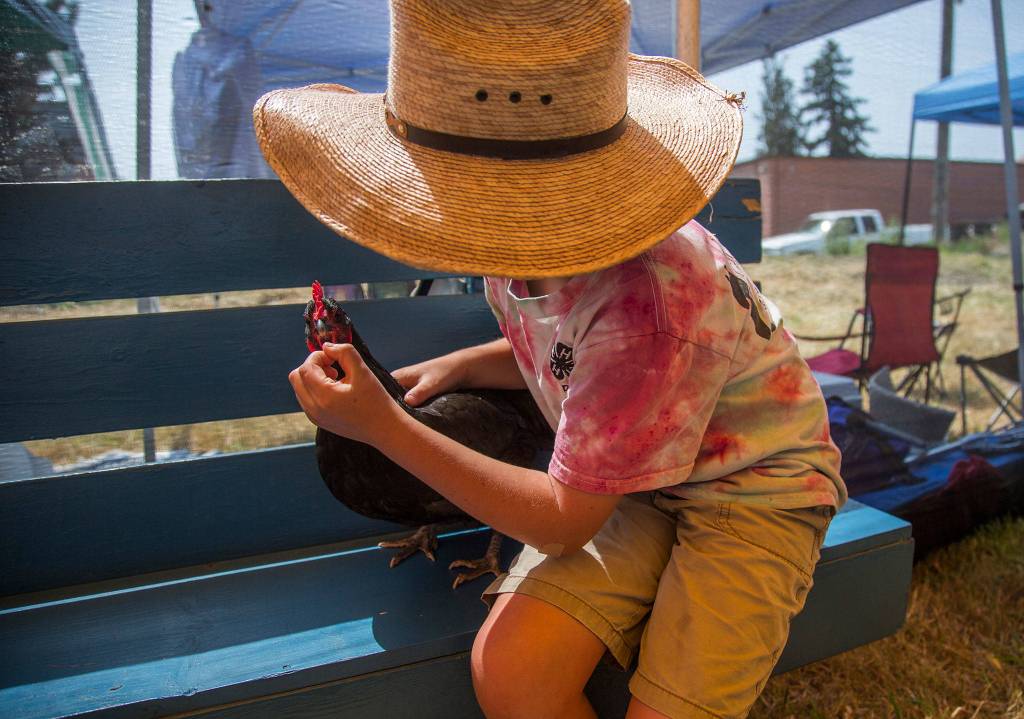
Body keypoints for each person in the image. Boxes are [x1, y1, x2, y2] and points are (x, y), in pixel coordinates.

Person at [255, 1, 846, 717]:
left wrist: (384, 425)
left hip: (751, 490)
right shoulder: (522, 246)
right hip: (630, 478)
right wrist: (464, 365)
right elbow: (579, 354)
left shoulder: (647, 303)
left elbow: (566, 519)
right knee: (511, 669)